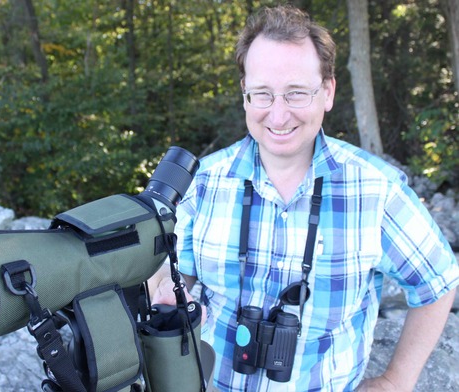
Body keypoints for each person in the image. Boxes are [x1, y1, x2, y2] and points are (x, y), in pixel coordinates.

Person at [149, 5, 458, 392]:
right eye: (262, 94)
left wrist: (397, 380)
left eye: (296, 93)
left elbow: (439, 281)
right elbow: (176, 274)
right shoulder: (202, 183)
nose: (278, 116)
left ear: (327, 91)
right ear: (245, 94)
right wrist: (161, 285)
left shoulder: (376, 191)